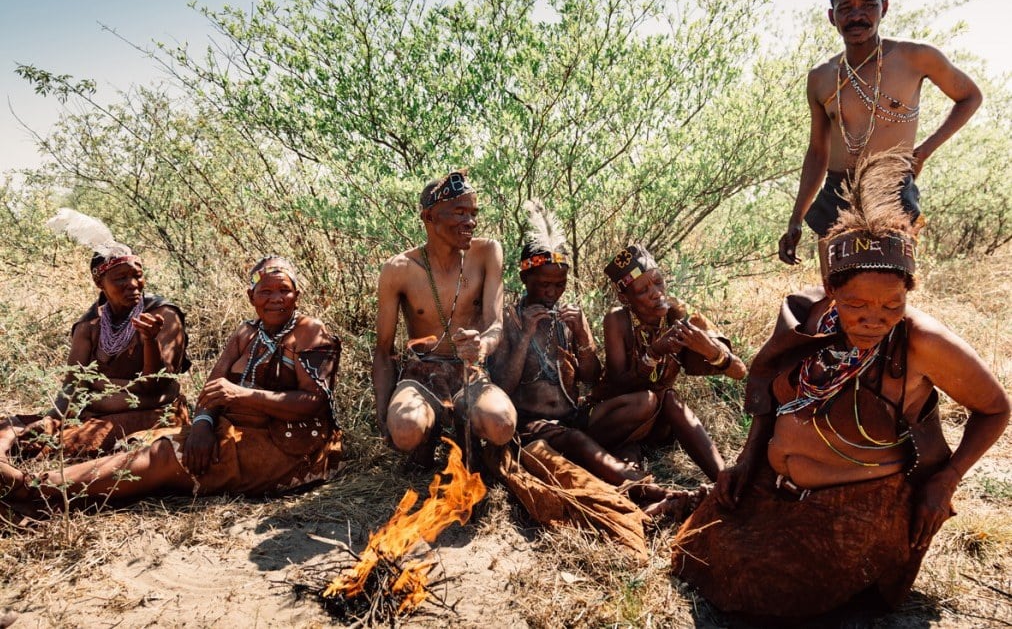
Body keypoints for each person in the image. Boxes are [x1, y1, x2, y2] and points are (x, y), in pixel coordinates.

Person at [674, 152, 1010, 622]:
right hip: (774, 485)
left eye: (890, 305)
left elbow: (996, 408)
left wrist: (946, 480)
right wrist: (747, 460)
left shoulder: (923, 341)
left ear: (908, 292)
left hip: (856, 509)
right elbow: (772, 393)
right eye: (856, 305)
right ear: (831, 289)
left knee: (774, 601)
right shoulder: (808, 318)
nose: (873, 318)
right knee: (698, 556)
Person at [1, 257, 343, 510]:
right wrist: (204, 426)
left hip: (288, 449)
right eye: (265, 291)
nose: (275, 298)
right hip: (235, 432)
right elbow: (211, 390)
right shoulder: (246, 332)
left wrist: (243, 395)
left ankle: (33, 490)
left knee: (164, 456)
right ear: (251, 296)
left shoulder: (311, 332)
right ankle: (44, 484)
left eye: (284, 290)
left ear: (297, 294)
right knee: (140, 448)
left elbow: (313, 402)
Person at [490, 201, 690, 515]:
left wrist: (582, 336)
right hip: (533, 426)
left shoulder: (566, 316)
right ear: (524, 279)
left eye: (560, 285)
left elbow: (591, 378)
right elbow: (501, 385)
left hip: (575, 416)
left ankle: (632, 487)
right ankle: (649, 490)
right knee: (580, 443)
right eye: (543, 284)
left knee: (644, 403)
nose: (552, 292)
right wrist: (526, 335)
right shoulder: (508, 319)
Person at [778, 0, 982, 266]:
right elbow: (818, 153)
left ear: (883, 8)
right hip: (838, 191)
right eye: (845, 8)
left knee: (889, 295)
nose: (856, 15)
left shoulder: (915, 57)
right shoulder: (822, 78)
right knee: (840, 291)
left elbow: (970, 97)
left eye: (868, 5)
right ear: (832, 17)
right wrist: (795, 218)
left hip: (891, 191)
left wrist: (923, 152)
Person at [0, 218, 190, 460]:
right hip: (94, 416)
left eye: (137, 275)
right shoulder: (89, 325)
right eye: (120, 278)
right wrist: (52, 419)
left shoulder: (162, 314)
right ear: (99, 282)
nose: (133, 284)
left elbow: (158, 384)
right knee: (12, 429)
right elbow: (73, 385)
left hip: (154, 414)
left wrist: (150, 341)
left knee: (47, 449)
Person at [373, 170, 516, 467]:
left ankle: (467, 423)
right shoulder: (398, 269)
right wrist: (384, 418)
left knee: (502, 423)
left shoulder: (488, 252)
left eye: (474, 213)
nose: (471, 222)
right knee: (404, 430)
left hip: (469, 372)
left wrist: (482, 346)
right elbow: (384, 351)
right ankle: (429, 433)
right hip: (421, 375)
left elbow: (495, 326)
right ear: (429, 217)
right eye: (459, 212)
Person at [591, 245, 746, 481]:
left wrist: (711, 350)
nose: (656, 293)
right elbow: (615, 386)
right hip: (617, 417)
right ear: (625, 298)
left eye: (658, 282)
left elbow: (739, 372)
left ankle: (723, 479)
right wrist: (652, 353)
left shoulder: (680, 314)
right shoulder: (617, 320)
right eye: (643, 290)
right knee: (650, 400)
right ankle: (630, 456)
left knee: (668, 398)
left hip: (658, 424)